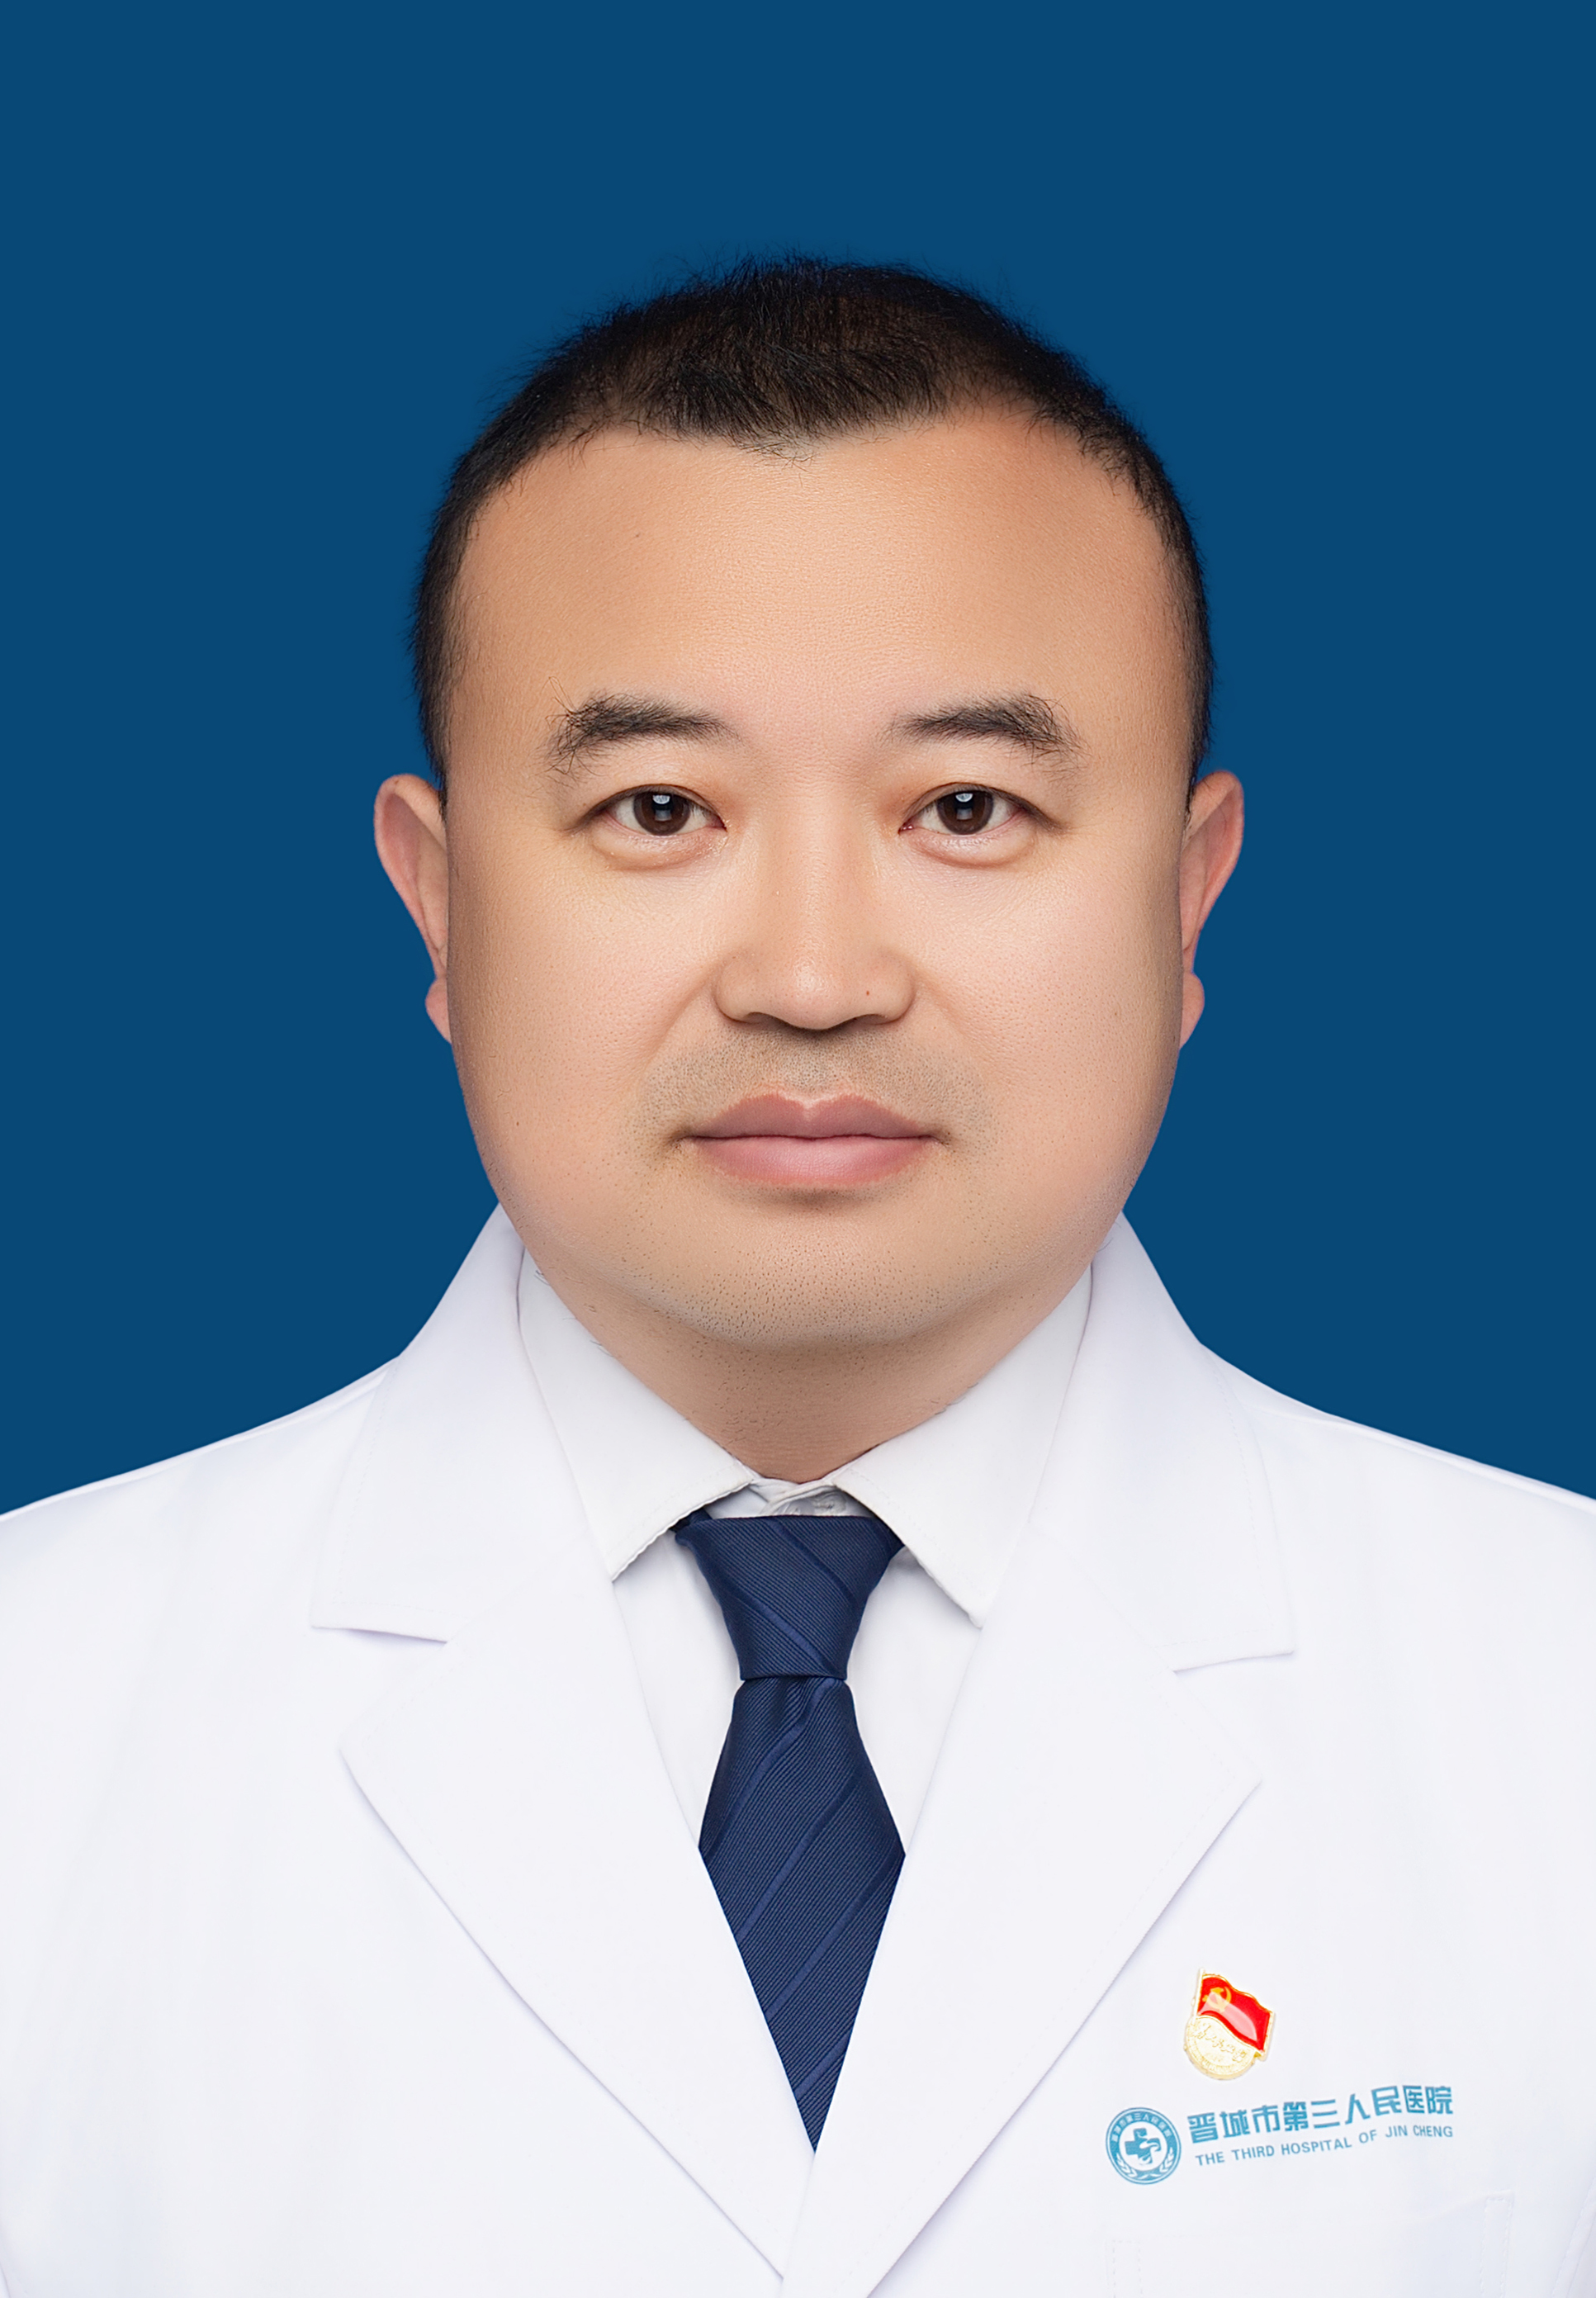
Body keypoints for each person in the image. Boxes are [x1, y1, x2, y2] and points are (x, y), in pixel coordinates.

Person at [0, 258, 1590, 2298]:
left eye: (968, 809)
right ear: (441, 898)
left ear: (1185, 897)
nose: (814, 976)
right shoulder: (44, 1718)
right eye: (659, 809)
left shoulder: (1556, 1701)